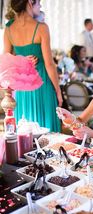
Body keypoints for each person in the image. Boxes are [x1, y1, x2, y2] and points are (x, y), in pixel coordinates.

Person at [4, 0, 61, 132]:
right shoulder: (42, 27)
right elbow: (49, 64)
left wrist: (21, 60)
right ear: (30, 2)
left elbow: (6, 61)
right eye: (39, 2)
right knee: (48, 130)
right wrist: (58, 91)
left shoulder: (9, 29)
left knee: (26, 129)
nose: (40, 6)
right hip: (43, 83)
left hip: (22, 87)